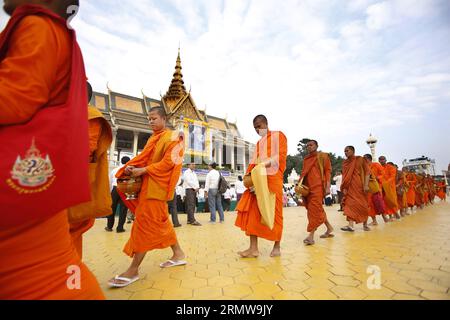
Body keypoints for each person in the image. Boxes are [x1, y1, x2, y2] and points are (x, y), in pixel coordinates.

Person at [0, 0, 105, 299]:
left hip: (32, 181)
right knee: (48, 268)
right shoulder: (50, 32)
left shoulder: (40, 25)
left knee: (46, 270)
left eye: (154, 119)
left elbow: (13, 98)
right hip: (47, 188)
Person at [108, 107, 186, 288]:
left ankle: (133, 269)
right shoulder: (153, 138)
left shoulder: (174, 137)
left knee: (144, 224)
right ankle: (178, 254)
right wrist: (132, 166)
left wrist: (144, 169)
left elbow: (169, 163)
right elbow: (145, 159)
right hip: (147, 185)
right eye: (149, 119)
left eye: (154, 118)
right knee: (161, 222)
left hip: (157, 187)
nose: (150, 122)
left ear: (164, 119)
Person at [69, 81, 113, 258]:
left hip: (74, 184)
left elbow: (85, 150)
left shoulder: (91, 116)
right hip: (59, 184)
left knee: (68, 237)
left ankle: (69, 279)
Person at [235, 115, 287, 258]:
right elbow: (253, 163)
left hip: (272, 179)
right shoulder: (258, 144)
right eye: (255, 128)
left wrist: (264, 164)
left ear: (266, 123)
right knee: (253, 212)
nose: (258, 130)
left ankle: (277, 246)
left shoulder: (278, 136)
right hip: (258, 179)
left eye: (259, 126)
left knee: (275, 213)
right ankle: (253, 249)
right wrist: (250, 177)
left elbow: (280, 157)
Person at [300, 140, 334, 246]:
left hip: (318, 187)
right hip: (308, 189)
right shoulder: (306, 159)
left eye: (311, 145)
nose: (309, 147)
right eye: (307, 146)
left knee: (314, 210)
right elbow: (304, 173)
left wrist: (328, 186)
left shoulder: (323, 156)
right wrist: (300, 184)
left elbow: (328, 171)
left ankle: (311, 236)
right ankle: (329, 228)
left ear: (316, 146)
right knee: (317, 209)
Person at [340, 146, 371, 232]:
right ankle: (350, 225)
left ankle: (365, 224)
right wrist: (344, 187)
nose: (345, 153)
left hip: (358, 185)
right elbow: (344, 176)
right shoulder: (345, 163)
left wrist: (366, 185)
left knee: (363, 205)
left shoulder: (360, 159)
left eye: (347, 151)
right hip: (348, 187)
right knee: (349, 204)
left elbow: (368, 172)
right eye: (344, 151)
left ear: (353, 151)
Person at [106, 156, 131, 233]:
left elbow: (109, 181)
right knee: (123, 210)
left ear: (121, 161)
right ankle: (120, 228)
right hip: (125, 190)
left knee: (112, 208)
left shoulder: (114, 170)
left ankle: (109, 227)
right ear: (129, 162)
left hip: (115, 189)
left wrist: (111, 191)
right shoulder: (130, 171)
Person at [363, 154, 385, 226]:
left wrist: (377, 178)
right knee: (370, 205)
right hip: (368, 189)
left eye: (365, 159)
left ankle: (385, 218)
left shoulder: (376, 165)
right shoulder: (364, 167)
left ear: (369, 159)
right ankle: (374, 221)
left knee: (379, 203)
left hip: (377, 187)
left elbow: (383, 174)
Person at [379, 156, 399, 222]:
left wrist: (386, 183)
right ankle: (390, 215)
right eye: (380, 160)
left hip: (390, 187)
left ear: (385, 160)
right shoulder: (379, 168)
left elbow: (392, 177)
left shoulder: (391, 167)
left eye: (383, 159)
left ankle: (396, 213)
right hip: (382, 188)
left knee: (392, 201)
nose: (381, 161)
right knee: (385, 202)